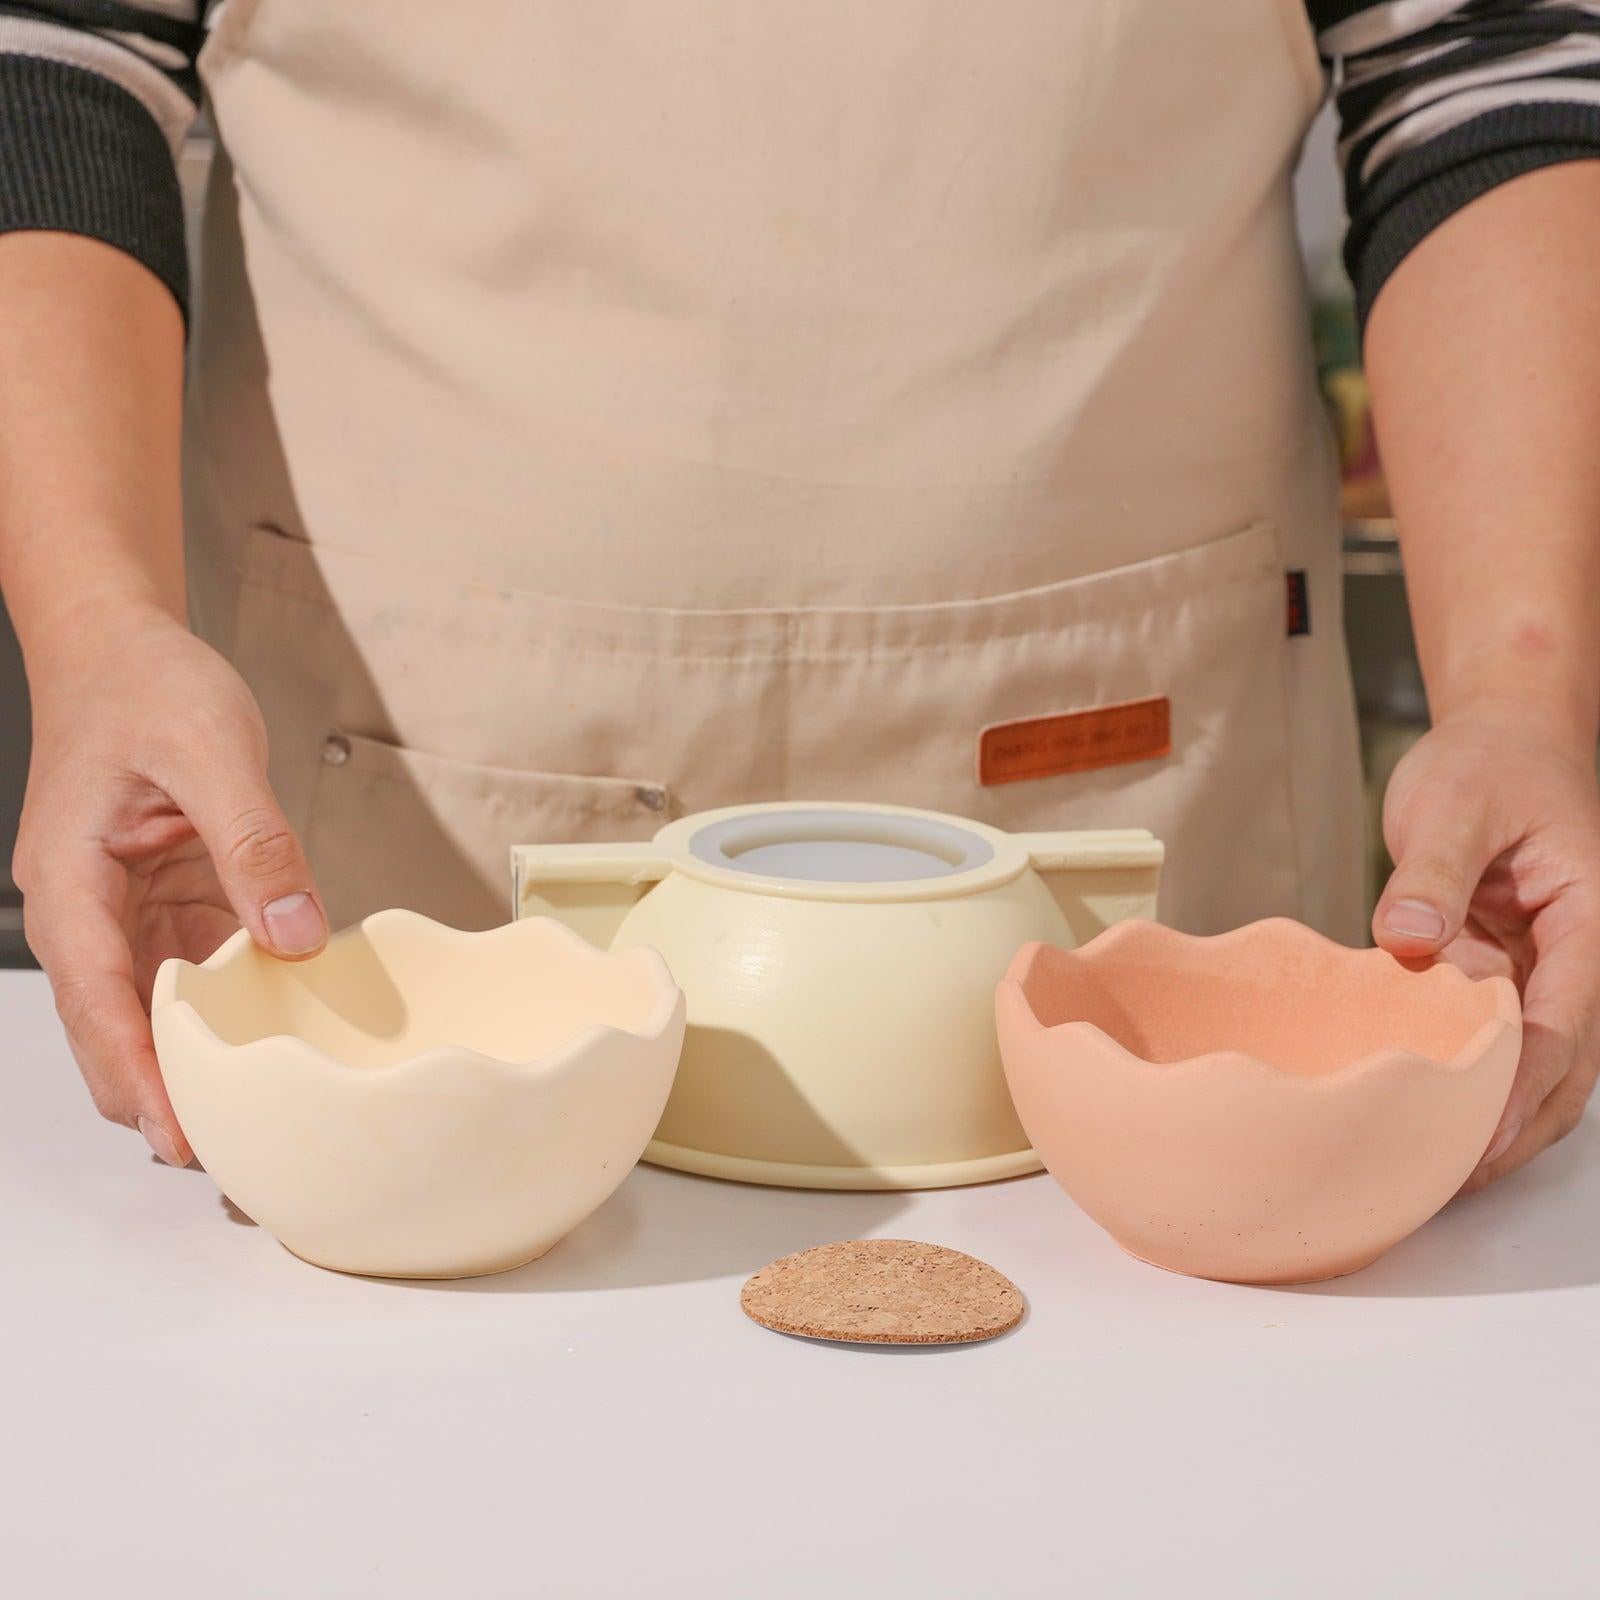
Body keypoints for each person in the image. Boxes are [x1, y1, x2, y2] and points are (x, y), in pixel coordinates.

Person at [2, 2, 1598, 1185]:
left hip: (1142, 846)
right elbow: (52, 61)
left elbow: (1493, 71)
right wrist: (94, 638)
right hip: (396, 868)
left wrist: (1522, 690)